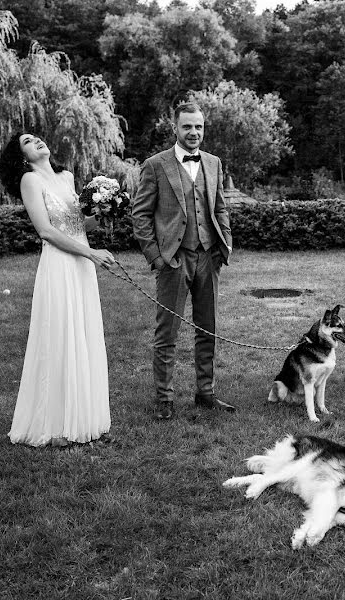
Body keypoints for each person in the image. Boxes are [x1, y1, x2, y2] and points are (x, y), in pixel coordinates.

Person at [0, 132, 115, 447]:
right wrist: (91, 253)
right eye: (26, 141)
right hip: (60, 266)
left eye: (36, 136)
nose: (36, 141)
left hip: (81, 266)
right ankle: (55, 424)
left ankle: (84, 417)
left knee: (84, 334)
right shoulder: (30, 181)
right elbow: (47, 231)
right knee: (61, 336)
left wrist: (103, 214)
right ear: (21, 157)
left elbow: (77, 225)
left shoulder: (67, 177)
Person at [131, 102, 234, 420]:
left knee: (209, 328)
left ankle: (206, 392)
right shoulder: (155, 165)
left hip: (208, 257)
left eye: (199, 126)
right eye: (187, 126)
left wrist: (224, 244)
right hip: (173, 261)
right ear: (175, 128)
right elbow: (141, 213)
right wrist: (157, 258)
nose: (194, 132)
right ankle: (164, 398)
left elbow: (219, 207)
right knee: (168, 333)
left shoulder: (214, 162)